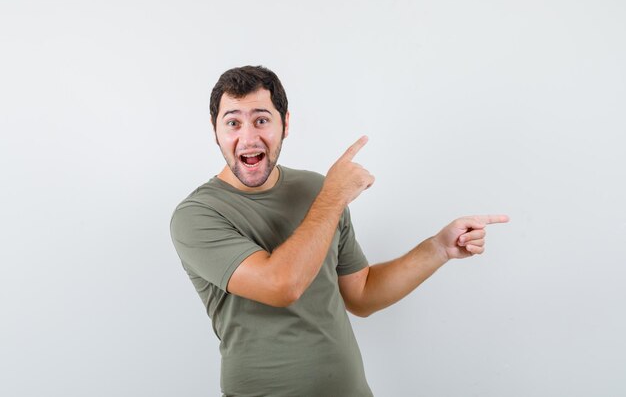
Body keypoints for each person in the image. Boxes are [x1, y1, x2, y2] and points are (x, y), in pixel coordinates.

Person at [170, 65, 509, 396]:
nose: (248, 137)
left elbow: (361, 295)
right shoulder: (197, 215)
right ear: (215, 130)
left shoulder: (318, 190)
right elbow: (282, 285)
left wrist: (438, 248)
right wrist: (332, 197)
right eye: (232, 123)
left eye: (262, 120)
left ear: (285, 124)